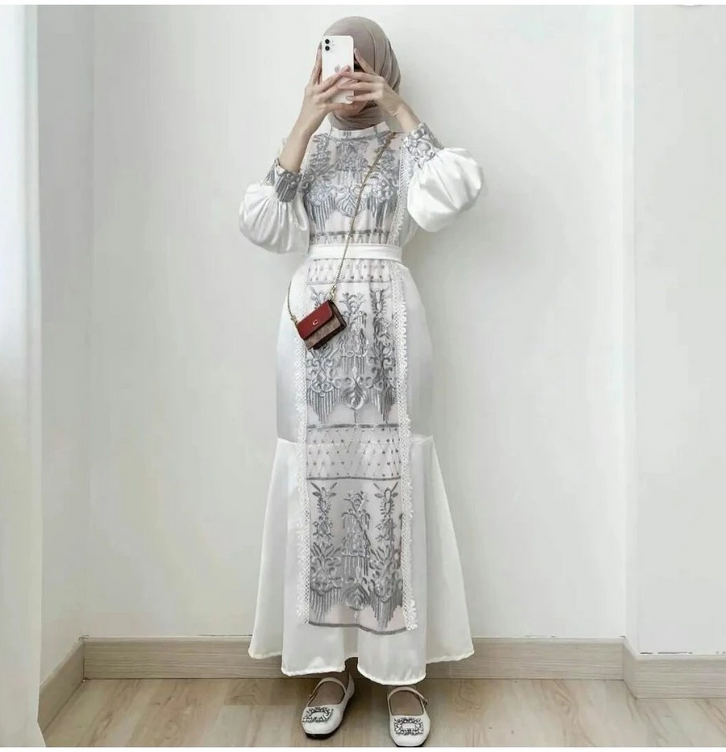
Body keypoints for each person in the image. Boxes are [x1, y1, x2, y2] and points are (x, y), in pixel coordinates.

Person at [238, 15, 485, 747]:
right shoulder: (307, 147)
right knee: (314, 485)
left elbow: (455, 192)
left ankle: (401, 672)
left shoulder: (405, 144)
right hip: (312, 329)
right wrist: (302, 120)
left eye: (360, 62)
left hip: (393, 328)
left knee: (395, 485)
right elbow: (261, 224)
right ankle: (328, 667)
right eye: (334, 62)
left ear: (381, 64)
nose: (346, 77)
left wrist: (400, 109)